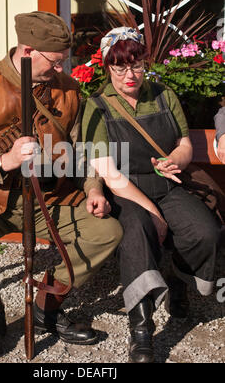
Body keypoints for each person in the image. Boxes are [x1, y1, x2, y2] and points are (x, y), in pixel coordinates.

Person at [0, 11, 123, 358]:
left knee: (106, 232)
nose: (60, 69)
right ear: (27, 52)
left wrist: (94, 187)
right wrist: (4, 161)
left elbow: (84, 151)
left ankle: (45, 308)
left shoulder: (69, 91)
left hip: (47, 195)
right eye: (55, 62)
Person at [82, 26, 221, 363]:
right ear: (107, 67)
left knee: (205, 232)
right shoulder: (97, 107)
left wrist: (177, 159)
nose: (130, 75)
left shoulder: (163, 94)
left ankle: (178, 278)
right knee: (139, 235)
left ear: (145, 63)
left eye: (136, 65)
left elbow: (185, 143)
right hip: (126, 191)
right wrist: (154, 214)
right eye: (120, 67)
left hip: (168, 183)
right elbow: (107, 172)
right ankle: (141, 330)